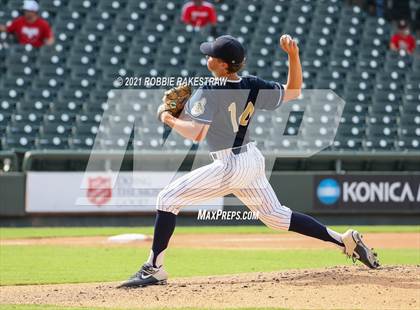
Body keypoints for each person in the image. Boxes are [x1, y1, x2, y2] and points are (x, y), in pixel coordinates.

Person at [118, 34, 380, 288]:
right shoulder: (252, 84)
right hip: (251, 159)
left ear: (222, 64)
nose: (207, 57)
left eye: (212, 55)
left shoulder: (209, 88)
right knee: (275, 216)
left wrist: (166, 117)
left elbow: (197, 133)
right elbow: (294, 91)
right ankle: (344, 241)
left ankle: (154, 268)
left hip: (230, 163)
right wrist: (294, 55)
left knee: (167, 199)